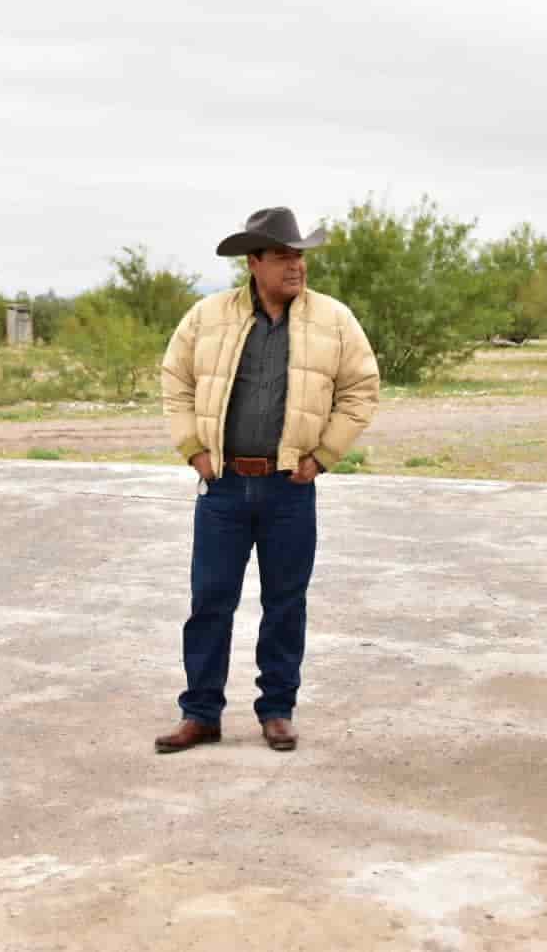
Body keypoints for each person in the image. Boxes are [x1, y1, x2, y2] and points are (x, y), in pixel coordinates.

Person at [155, 207, 379, 754]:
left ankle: (277, 710)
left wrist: (323, 455)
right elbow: (176, 381)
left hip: (290, 490)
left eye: (299, 254)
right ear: (253, 261)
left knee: (285, 602)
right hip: (223, 489)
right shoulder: (207, 317)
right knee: (210, 600)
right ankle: (200, 713)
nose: (295, 265)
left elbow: (360, 389)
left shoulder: (334, 320)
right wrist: (194, 451)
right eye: (283, 255)